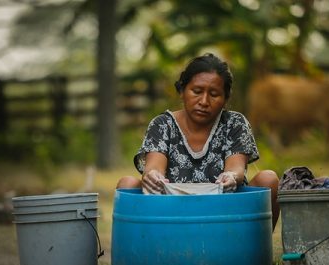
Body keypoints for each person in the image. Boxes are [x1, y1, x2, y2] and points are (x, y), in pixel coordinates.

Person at [116, 53, 280, 230]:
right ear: (182, 91)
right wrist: (152, 176)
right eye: (197, 91)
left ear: (225, 99)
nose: (204, 101)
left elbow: (236, 168)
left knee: (268, 179)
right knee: (127, 183)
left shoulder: (234, 123)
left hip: (224, 215)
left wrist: (231, 176)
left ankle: (253, 249)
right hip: (171, 215)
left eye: (214, 94)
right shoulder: (162, 124)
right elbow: (154, 167)